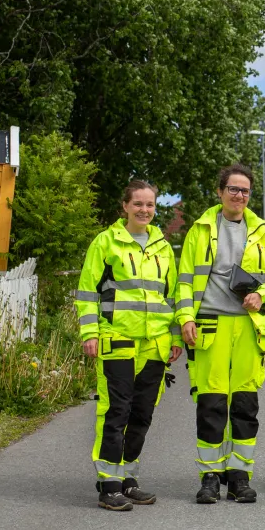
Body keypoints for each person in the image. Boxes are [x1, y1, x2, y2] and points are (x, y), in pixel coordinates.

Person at [176, 163, 265, 504]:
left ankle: (240, 476)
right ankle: (210, 477)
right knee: (211, 405)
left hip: (248, 328)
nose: (239, 195)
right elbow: (184, 280)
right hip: (210, 325)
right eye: (233, 189)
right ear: (220, 191)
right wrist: (185, 318)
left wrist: (263, 294)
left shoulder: (264, 232)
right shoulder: (200, 229)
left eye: (245, 191)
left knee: (244, 405)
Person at [76, 180, 183, 511]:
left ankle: (127, 478)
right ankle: (108, 484)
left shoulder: (163, 247)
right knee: (115, 410)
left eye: (150, 205)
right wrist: (90, 333)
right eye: (138, 204)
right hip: (117, 340)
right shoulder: (106, 242)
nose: (145, 210)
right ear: (124, 206)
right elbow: (87, 292)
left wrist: (176, 336)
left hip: (155, 344)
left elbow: (173, 295)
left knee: (142, 413)